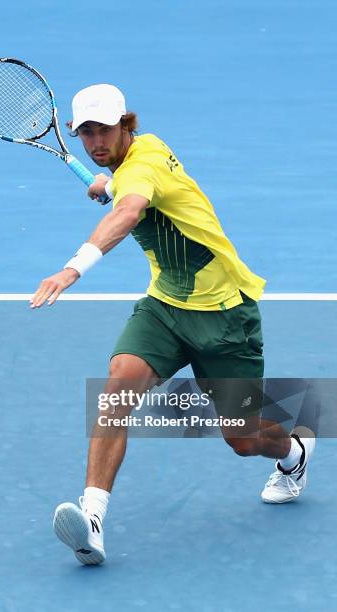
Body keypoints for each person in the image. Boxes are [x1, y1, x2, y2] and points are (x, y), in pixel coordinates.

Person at [30, 84, 316, 565]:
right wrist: (107, 182)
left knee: (243, 439)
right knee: (116, 390)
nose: (96, 142)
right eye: (86, 133)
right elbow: (124, 190)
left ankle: (294, 452)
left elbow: (129, 210)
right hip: (165, 309)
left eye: (105, 129)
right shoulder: (139, 158)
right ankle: (93, 520)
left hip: (226, 318)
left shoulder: (142, 167)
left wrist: (72, 267)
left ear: (127, 124)